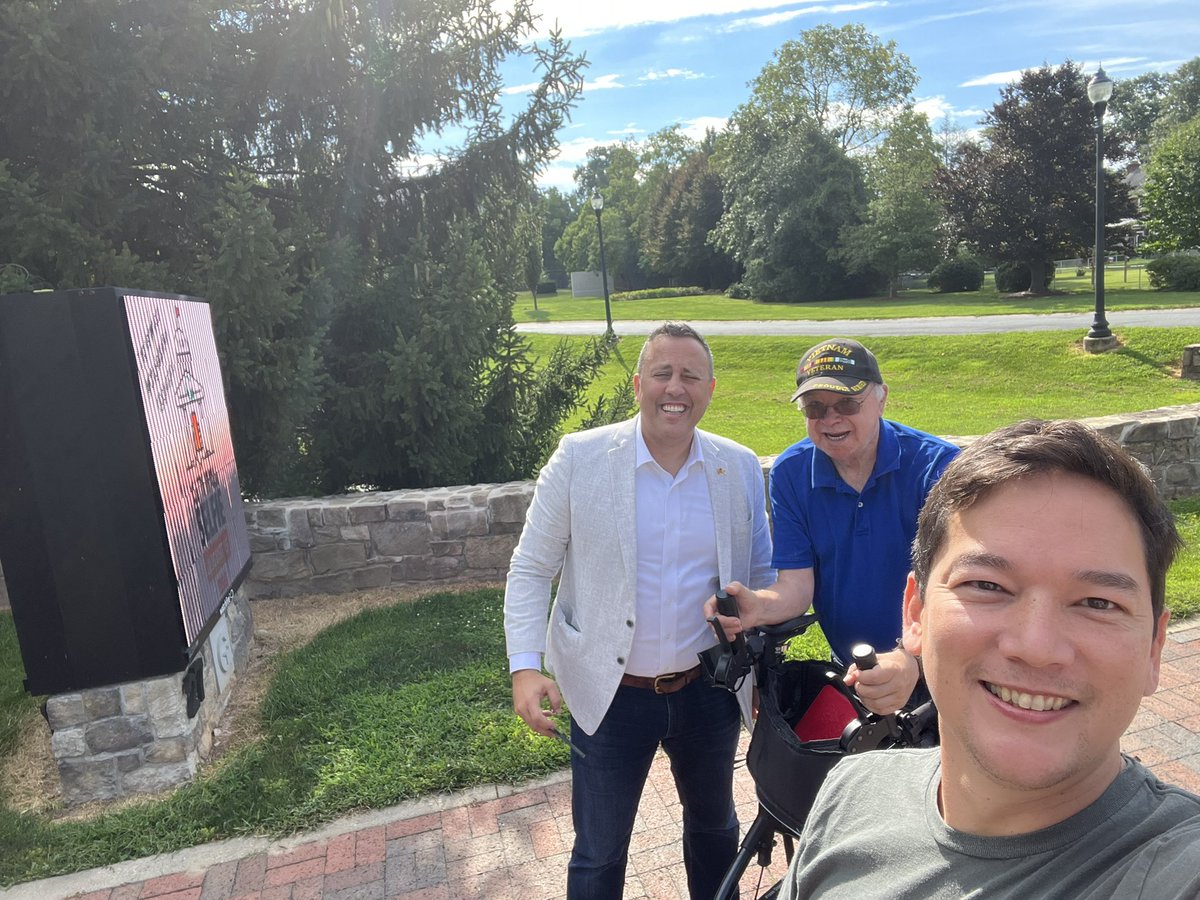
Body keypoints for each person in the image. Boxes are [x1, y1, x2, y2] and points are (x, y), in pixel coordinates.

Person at [779, 419, 1200, 899]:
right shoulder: (850, 792)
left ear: (1154, 648)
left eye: (1098, 602)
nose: (1036, 647)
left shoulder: (1177, 871)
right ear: (915, 614)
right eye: (986, 586)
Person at [504, 321, 774, 899]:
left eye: (690, 376)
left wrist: (753, 632)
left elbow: (761, 576)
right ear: (638, 384)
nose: (675, 387)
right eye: (662, 373)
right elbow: (530, 568)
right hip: (608, 691)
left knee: (715, 830)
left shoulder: (739, 466)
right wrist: (525, 666)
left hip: (709, 691)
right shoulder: (581, 459)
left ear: (710, 388)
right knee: (599, 852)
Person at [708, 338, 959, 714]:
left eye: (846, 404)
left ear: (882, 398)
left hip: (940, 662)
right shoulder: (791, 473)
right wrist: (756, 608)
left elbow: (957, 587)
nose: (830, 420)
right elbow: (796, 585)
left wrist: (912, 658)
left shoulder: (937, 468)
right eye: (815, 408)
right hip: (856, 670)